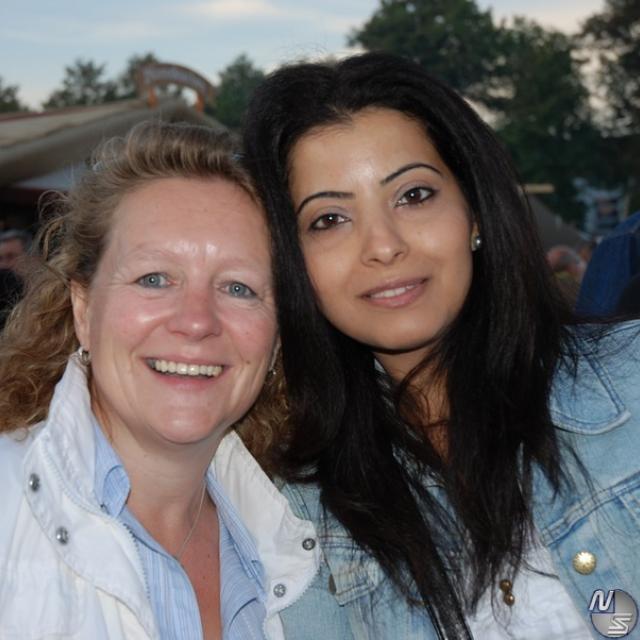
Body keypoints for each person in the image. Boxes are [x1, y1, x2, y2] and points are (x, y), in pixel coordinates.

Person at [243, 53, 640, 639]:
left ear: (473, 210)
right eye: (329, 219)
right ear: (292, 261)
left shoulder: (631, 379)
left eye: (413, 195)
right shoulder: (295, 512)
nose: (383, 245)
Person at [0, 121, 321, 640]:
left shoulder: (306, 544)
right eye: (154, 279)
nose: (196, 322)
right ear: (84, 310)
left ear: (278, 338)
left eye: (238, 287)